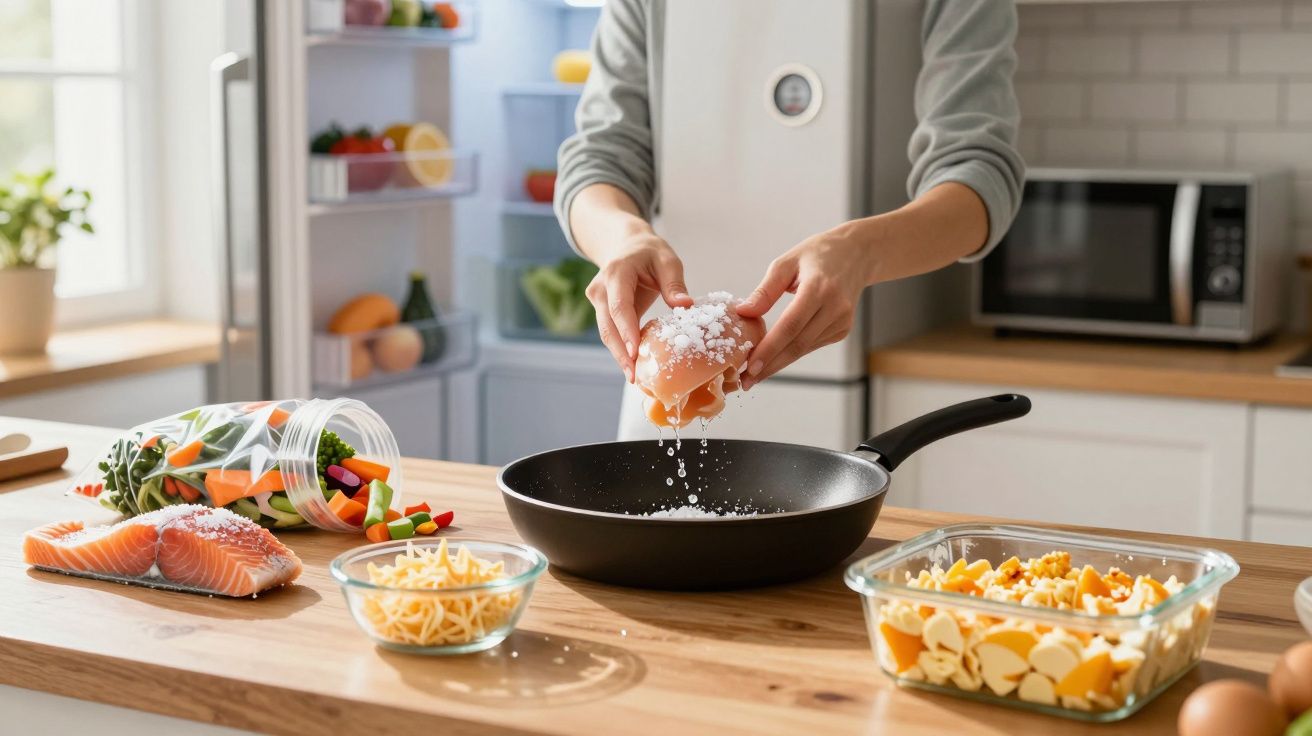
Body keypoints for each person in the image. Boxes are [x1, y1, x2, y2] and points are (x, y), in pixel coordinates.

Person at [555, 0, 1024, 405]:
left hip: (881, 385)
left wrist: (860, 251)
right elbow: (599, 159)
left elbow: (979, 179)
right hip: (665, 382)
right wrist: (622, 239)